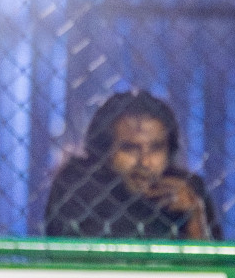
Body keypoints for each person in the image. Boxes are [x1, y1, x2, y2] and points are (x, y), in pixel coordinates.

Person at [44, 90, 220, 240]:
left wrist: (195, 219)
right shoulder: (78, 187)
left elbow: (213, 274)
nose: (145, 162)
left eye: (156, 148)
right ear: (104, 152)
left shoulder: (187, 190)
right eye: (130, 148)